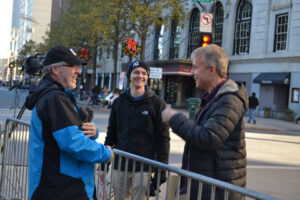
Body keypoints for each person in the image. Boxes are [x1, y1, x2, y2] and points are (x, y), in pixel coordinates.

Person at [24, 46, 114, 200]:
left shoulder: (54, 96)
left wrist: (93, 131)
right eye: (72, 66)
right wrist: (106, 154)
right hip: (62, 189)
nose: (78, 71)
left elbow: (71, 132)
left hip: (58, 187)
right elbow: (74, 143)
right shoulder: (55, 99)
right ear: (56, 69)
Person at [162, 44, 248, 200]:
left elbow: (208, 138)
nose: (192, 73)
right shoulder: (212, 99)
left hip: (217, 191)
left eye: (195, 67)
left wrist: (174, 118)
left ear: (212, 70)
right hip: (204, 188)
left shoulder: (230, 100)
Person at [104, 60, 170, 199]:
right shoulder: (118, 102)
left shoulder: (157, 104)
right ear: (129, 76)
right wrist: (105, 164)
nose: (140, 76)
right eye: (136, 72)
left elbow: (163, 139)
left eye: (143, 73)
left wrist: (161, 172)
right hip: (119, 165)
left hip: (143, 169)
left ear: (147, 77)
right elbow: (111, 135)